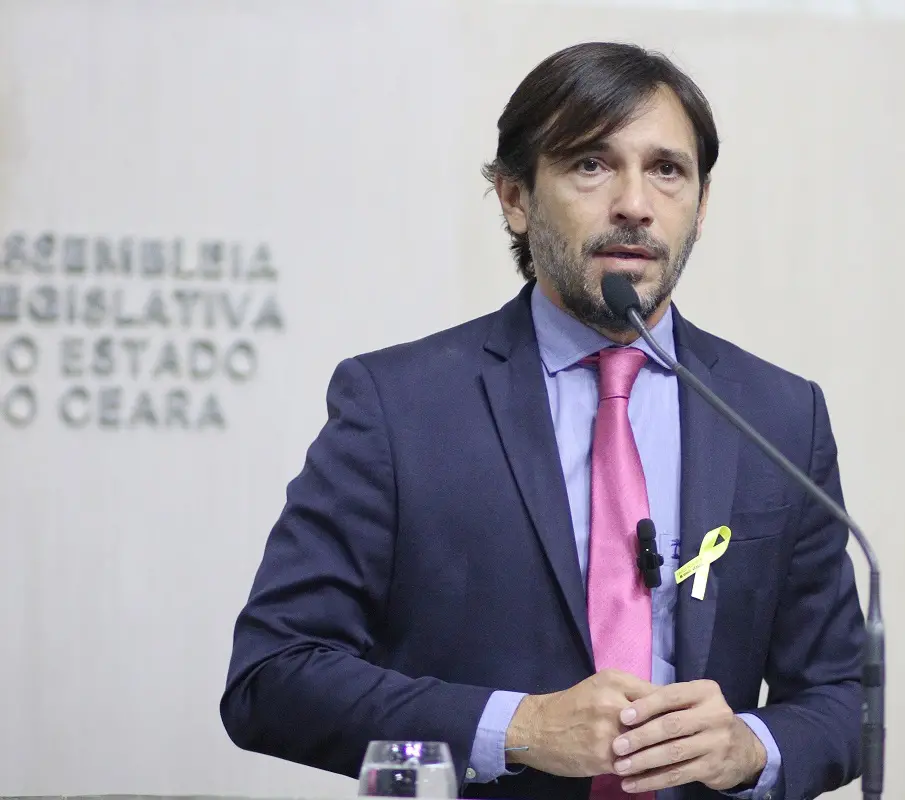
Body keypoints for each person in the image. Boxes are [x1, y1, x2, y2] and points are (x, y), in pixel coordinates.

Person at [221, 41, 865, 800]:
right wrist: (517, 728)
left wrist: (750, 748)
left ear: (700, 205)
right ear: (515, 198)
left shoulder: (778, 416)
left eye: (667, 169)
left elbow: (843, 699)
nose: (635, 203)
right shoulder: (398, 407)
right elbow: (274, 676)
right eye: (591, 164)